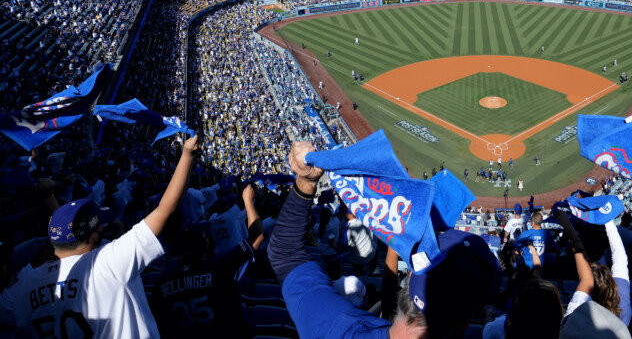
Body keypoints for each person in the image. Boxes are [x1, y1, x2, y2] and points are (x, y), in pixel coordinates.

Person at [267, 140, 503, 338]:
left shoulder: (337, 329)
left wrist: (307, 181)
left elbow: (285, 253)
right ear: (465, 322)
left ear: (411, 275)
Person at [0, 135, 201, 338]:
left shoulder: (24, 286)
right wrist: (187, 155)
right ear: (92, 237)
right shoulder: (107, 263)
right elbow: (165, 209)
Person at [149, 185, 264, 338]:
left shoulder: (163, 278)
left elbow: (155, 318)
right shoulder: (219, 266)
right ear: (206, 244)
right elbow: (257, 237)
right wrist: (248, 201)